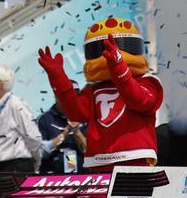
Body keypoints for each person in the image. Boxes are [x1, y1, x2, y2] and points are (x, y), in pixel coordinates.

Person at [38, 16, 162, 170]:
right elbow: (76, 113)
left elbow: (139, 100)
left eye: (112, 48)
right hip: (98, 161)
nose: (104, 55)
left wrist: (119, 69)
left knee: (132, 194)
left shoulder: (148, 82)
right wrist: (58, 79)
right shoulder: (92, 89)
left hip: (134, 158)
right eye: (98, 50)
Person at [0, 65, 42, 172]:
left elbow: (34, 138)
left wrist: (36, 162)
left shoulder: (15, 104)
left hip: (18, 167)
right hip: (1, 168)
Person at [37, 102, 86, 174]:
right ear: (56, 96)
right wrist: (64, 135)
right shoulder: (44, 119)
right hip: (52, 175)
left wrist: (76, 131)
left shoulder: (83, 117)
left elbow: (89, 150)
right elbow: (39, 152)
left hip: (80, 175)